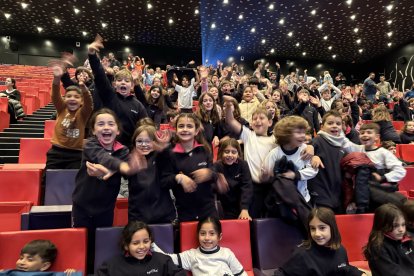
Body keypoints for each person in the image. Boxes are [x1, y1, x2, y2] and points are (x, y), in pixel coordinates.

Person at [71, 108, 143, 272]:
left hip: (106, 208)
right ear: (94, 130)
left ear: (117, 130)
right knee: (82, 243)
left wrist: (110, 170)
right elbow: (102, 157)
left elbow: (128, 173)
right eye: (101, 124)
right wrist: (119, 167)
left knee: (100, 244)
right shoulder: (90, 145)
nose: (106, 128)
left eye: (111, 124)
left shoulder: (123, 150)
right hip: (82, 206)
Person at [87, 35, 148, 146]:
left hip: (127, 151)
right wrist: (92, 54)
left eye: (126, 80)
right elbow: (100, 76)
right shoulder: (110, 96)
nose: (123, 82)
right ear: (114, 84)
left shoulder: (138, 105)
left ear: (132, 85)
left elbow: (145, 127)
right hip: (105, 148)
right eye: (119, 80)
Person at [158, 113, 218, 222]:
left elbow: (215, 174)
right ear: (175, 130)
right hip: (184, 211)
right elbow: (164, 181)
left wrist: (209, 173)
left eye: (189, 126)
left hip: (208, 209)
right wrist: (178, 178)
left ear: (196, 131)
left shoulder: (205, 150)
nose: (185, 129)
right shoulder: (169, 153)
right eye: (181, 126)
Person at [275, 207, 365, 276]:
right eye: (312, 228)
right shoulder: (302, 254)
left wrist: (361, 274)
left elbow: (344, 268)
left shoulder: (340, 249)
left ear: (332, 228)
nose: (317, 233)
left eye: (322, 228)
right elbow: (281, 274)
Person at [153, 216, 247, 276]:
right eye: (202, 233)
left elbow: (241, 274)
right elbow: (166, 258)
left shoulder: (227, 253)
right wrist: (150, 243)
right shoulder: (191, 255)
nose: (207, 238)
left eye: (212, 233)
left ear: (219, 236)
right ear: (197, 235)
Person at [45, 59, 93, 170]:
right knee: (49, 182)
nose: (72, 99)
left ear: (81, 101)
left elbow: (89, 103)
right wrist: (57, 78)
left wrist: (83, 87)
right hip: (56, 152)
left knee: (73, 184)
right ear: (64, 99)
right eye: (69, 96)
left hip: (76, 155)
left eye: (76, 97)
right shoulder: (61, 109)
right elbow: (55, 95)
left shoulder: (83, 113)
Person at [127, 124, 176, 224]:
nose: (144, 144)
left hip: (163, 216)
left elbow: (170, 155)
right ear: (134, 143)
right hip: (138, 217)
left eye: (148, 141)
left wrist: (164, 147)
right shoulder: (131, 160)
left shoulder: (161, 157)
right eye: (139, 141)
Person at [97, 221, 184, 276]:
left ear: (151, 241)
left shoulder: (163, 260)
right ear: (126, 245)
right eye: (135, 243)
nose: (142, 247)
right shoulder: (112, 265)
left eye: (146, 241)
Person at [364, 203, 414, 276]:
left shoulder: (408, 240)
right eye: (395, 226)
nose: (401, 229)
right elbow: (392, 273)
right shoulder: (378, 247)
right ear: (383, 225)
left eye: (403, 225)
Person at [214, 138, 253, 220]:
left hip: (241, 204)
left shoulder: (243, 165)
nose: (230, 155)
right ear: (221, 153)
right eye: (226, 152)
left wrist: (244, 208)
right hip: (224, 205)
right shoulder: (217, 166)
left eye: (234, 152)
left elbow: (247, 186)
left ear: (238, 153)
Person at [0, 240, 76, 275]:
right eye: (21, 258)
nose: (22, 262)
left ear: (44, 266)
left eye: (30, 260)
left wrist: (71, 274)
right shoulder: (8, 273)